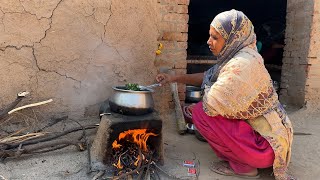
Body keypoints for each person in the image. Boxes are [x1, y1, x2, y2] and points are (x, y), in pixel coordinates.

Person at [156, 10, 294, 180]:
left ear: (232, 38)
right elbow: (208, 76)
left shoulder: (242, 64)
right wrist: (173, 78)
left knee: (200, 113)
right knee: (203, 109)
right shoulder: (241, 55)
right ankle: (245, 157)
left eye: (215, 37)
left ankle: (244, 167)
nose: (209, 42)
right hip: (273, 143)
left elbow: (211, 103)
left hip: (264, 149)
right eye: (209, 36)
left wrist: (191, 108)